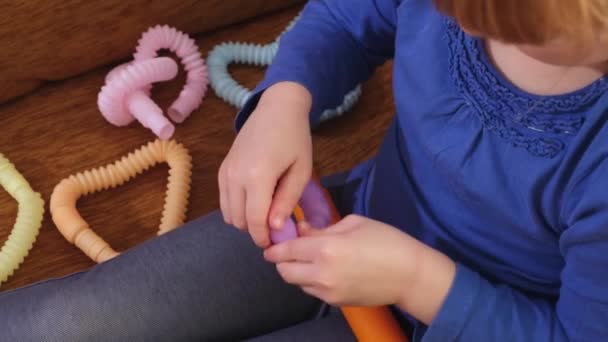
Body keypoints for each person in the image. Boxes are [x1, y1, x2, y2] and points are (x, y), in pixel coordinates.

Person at [2, 0, 607, 340]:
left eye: (502, 26)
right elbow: (347, 19)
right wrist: (285, 99)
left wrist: (414, 282)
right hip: (339, 217)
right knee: (63, 324)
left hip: (445, 322)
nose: (459, 23)